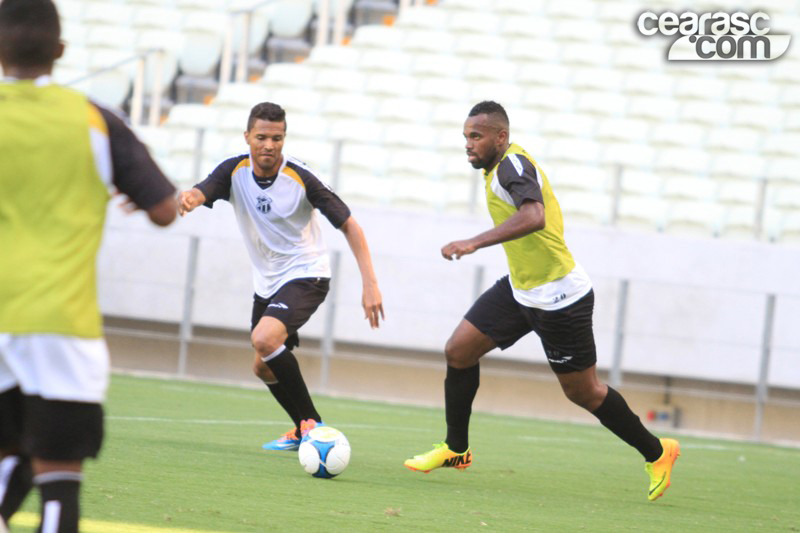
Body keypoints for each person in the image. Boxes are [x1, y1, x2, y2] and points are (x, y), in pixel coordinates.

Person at [403, 101, 679, 501]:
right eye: (465, 137)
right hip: (521, 289)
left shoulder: (512, 166)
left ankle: (657, 452)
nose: (468, 144)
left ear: (501, 136)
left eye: (476, 136)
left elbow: (534, 216)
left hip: (560, 297)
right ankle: (456, 450)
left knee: (584, 393)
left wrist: (474, 241)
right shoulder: (497, 168)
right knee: (459, 351)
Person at [0, 0, 178, 531]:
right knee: (57, 480)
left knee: (11, 456)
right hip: (64, 326)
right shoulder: (97, 120)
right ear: (60, 51)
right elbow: (166, 210)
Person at [178, 102, 384, 451]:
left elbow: (350, 225)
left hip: (307, 274)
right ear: (247, 137)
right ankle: (299, 429)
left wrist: (370, 284)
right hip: (267, 283)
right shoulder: (234, 171)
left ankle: (314, 427)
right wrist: (189, 199)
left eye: (277, 138)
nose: (269, 145)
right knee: (262, 367)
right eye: (261, 137)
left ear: (284, 138)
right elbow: (202, 191)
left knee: (264, 339)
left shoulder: (301, 177)